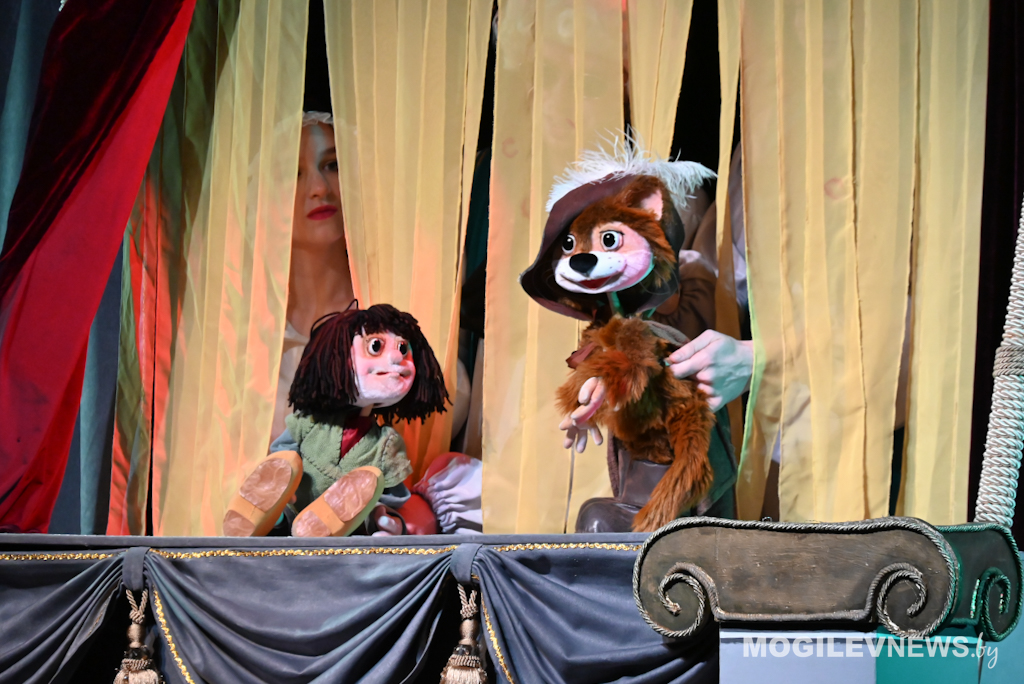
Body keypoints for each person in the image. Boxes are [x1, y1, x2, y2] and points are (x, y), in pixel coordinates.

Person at [270, 112, 356, 445]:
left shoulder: (396, 308)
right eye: (294, 173)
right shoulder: (247, 334)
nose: (319, 188)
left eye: (332, 165)